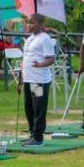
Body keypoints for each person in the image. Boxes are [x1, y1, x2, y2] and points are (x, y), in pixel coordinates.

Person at [19, 14, 56, 146]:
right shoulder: (29, 38)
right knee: (29, 107)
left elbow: (51, 58)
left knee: (38, 108)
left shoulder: (45, 39)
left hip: (39, 81)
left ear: (40, 24)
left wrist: (41, 65)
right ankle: (32, 134)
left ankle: (38, 137)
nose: (29, 25)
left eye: (32, 23)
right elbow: (26, 58)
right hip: (28, 79)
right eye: (28, 23)